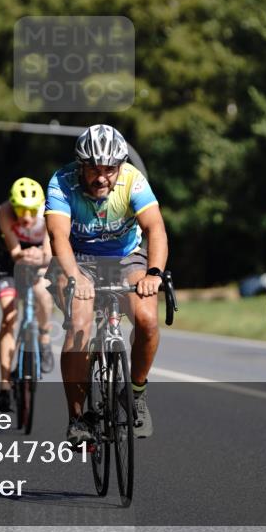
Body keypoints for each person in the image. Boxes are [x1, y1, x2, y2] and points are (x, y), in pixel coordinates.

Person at [45, 124, 168, 445]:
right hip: (77, 259)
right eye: (94, 169)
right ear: (80, 166)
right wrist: (74, 277)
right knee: (80, 324)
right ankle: (77, 419)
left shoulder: (133, 180)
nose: (102, 178)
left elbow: (155, 228)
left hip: (126, 258)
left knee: (147, 319)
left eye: (109, 170)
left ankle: (136, 392)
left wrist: (154, 274)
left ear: (120, 166)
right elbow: (58, 237)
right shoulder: (62, 182)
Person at [0, 177, 55, 412]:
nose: (26, 216)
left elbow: (49, 251)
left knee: (42, 293)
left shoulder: (49, 212)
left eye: (31, 210)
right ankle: (4, 385)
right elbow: (14, 251)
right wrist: (25, 255)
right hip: (12, 263)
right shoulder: (4, 211)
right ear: (13, 206)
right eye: (21, 210)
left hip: (41, 260)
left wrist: (40, 257)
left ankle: (44, 338)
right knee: (8, 315)